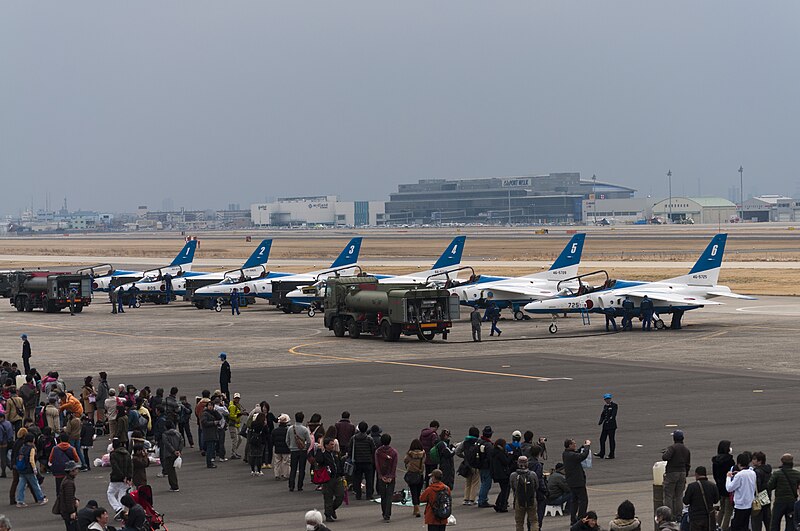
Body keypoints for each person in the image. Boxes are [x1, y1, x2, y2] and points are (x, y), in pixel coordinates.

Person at [662, 430, 691, 521]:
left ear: (674, 438)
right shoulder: (686, 449)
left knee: (669, 495)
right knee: (679, 495)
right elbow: (688, 464)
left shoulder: (672, 448)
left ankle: (668, 515)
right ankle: (678, 515)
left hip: (672, 472)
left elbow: (665, 457)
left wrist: (665, 452)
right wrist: (685, 474)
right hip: (682, 472)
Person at [767, 453, 800, 531]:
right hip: (792, 501)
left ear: (782, 462)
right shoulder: (797, 474)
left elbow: (769, 486)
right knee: (790, 524)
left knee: (775, 523)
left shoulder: (777, 474)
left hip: (779, 502)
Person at [315, 437, 345, 523]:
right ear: (326, 445)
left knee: (340, 496)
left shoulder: (336, 454)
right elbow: (319, 460)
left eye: (333, 444)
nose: (333, 446)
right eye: (331, 444)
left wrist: (342, 475)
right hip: (328, 479)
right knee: (328, 497)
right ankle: (328, 515)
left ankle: (332, 509)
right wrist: (320, 450)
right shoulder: (323, 454)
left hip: (337, 477)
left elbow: (340, 464)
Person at [726, 452, 757, 531]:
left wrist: (728, 478)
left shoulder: (739, 475)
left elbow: (729, 488)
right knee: (745, 526)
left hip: (740, 505)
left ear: (739, 463)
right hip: (749, 503)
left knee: (736, 526)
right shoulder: (752, 473)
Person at [563, 438, 591, 524]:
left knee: (574, 501)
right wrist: (587, 447)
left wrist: (582, 447)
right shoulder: (571, 456)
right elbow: (582, 456)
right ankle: (581, 518)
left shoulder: (566, 454)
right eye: (573, 444)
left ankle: (573, 519)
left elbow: (576, 453)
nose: (575, 445)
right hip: (578, 482)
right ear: (569, 445)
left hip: (571, 482)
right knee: (583, 500)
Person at [682, 466, 719, 531]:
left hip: (695, 517)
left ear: (696, 474)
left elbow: (686, 501)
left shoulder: (692, 486)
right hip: (708, 517)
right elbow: (716, 500)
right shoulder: (713, 485)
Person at [15, 433, 47, 508]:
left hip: (21, 469)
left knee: (21, 485)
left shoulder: (22, 448)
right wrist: (34, 468)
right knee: (35, 484)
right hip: (29, 470)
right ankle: (41, 498)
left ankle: (20, 501)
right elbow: (31, 460)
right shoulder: (31, 448)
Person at [510, 455, 539, 531]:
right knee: (534, 521)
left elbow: (513, 487)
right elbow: (536, 486)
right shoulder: (532, 474)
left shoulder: (513, 475)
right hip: (531, 499)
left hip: (519, 500)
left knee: (519, 522)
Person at [349, 421, 376, 500]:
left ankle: (358, 494)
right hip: (367, 462)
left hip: (357, 462)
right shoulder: (369, 439)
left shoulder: (353, 438)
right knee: (369, 479)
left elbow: (350, 449)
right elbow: (373, 449)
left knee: (357, 479)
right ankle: (369, 494)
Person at [711, 440, 735, 531]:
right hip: (728, 487)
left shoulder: (715, 461)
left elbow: (715, 475)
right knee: (728, 510)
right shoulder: (730, 461)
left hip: (720, 486)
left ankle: (717, 525)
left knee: (722, 508)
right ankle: (724, 528)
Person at [106, 438, 132, 520]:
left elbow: (115, 467)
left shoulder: (113, 454)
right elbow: (130, 466)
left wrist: (122, 476)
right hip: (125, 479)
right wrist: (128, 477)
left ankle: (118, 509)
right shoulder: (127, 453)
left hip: (116, 478)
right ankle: (121, 511)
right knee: (122, 494)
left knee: (110, 493)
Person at [287, 411, 312, 492]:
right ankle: (300, 486)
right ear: (302, 419)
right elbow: (309, 441)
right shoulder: (304, 429)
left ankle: (291, 486)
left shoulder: (290, 428)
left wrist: (290, 447)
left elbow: (287, 440)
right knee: (302, 469)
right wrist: (306, 448)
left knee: (293, 468)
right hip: (302, 451)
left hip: (293, 451)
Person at [375, 433, 398, 522]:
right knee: (389, 496)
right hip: (391, 477)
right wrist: (391, 476)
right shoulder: (394, 452)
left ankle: (384, 512)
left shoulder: (378, 452)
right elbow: (394, 465)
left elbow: (377, 465)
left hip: (382, 476)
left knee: (383, 496)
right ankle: (387, 514)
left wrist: (381, 476)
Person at [456, 426, 481, 506]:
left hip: (467, 464)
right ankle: (472, 499)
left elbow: (457, 451)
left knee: (468, 482)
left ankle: (466, 499)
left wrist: (464, 457)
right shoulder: (478, 442)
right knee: (475, 482)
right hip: (476, 464)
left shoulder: (465, 442)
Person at [404, 439, 427, 518]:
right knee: (418, 491)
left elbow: (405, 460)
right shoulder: (423, 454)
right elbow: (424, 461)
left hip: (412, 474)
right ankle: (416, 507)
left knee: (413, 491)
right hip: (420, 474)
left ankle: (416, 508)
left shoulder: (410, 454)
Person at [750, 451, 772, 531]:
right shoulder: (768, 470)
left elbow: (757, 486)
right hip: (767, 497)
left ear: (759, 461)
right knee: (768, 521)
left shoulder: (757, 472)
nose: (752, 461)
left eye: (754, 459)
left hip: (759, 499)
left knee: (756, 522)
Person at [490, 438, 512, 512]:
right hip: (503, 474)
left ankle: (498, 504)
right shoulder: (500, 453)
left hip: (497, 474)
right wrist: (510, 456)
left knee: (503, 490)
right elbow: (506, 462)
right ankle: (502, 505)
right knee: (505, 490)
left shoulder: (494, 452)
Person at [58, 460, 80, 531]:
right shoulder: (69, 483)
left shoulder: (66, 480)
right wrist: (72, 511)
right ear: (71, 471)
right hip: (68, 511)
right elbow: (69, 498)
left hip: (65, 510)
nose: (77, 470)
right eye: (76, 469)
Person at [161, 420, 182, 492]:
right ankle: (174, 485)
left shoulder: (165, 435)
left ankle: (174, 486)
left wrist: (173, 451)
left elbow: (167, 444)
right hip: (176, 453)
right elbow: (181, 441)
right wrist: (178, 450)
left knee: (170, 471)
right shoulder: (178, 433)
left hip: (168, 454)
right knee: (172, 470)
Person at [477, 426, 494, 508]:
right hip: (486, 467)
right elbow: (491, 457)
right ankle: (482, 500)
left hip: (480, 465)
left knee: (483, 483)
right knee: (486, 484)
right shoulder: (488, 445)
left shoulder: (479, 442)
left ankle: (481, 499)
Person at [596, 393, 618, 460]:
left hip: (611, 426)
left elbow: (613, 415)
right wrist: (601, 421)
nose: (607, 400)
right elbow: (603, 414)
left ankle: (611, 454)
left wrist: (609, 420)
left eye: (608, 399)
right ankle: (601, 453)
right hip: (605, 426)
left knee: (611, 440)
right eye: (606, 399)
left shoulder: (614, 405)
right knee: (602, 439)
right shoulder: (605, 406)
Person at [201, 400, 221, 469]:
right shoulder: (205, 414)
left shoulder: (212, 412)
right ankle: (209, 463)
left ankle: (210, 462)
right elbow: (204, 422)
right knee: (209, 449)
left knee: (212, 449)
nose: (210, 407)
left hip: (213, 433)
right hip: (208, 434)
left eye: (212, 405)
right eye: (209, 405)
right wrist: (213, 423)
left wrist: (215, 411)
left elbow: (220, 417)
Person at [420, 420, 440, 485]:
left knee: (427, 473)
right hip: (432, 458)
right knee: (433, 473)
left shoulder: (423, 434)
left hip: (425, 457)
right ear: (436, 427)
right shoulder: (433, 435)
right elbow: (435, 446)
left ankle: (426, 487)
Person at [271, 414, 291, 479]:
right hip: (286, 449)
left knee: (277, 462)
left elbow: (272, 440)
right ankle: (285, 474)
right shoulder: (288, 431)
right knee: (286, 462)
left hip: (277, 449)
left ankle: (277, 474)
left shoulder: (275, 431)